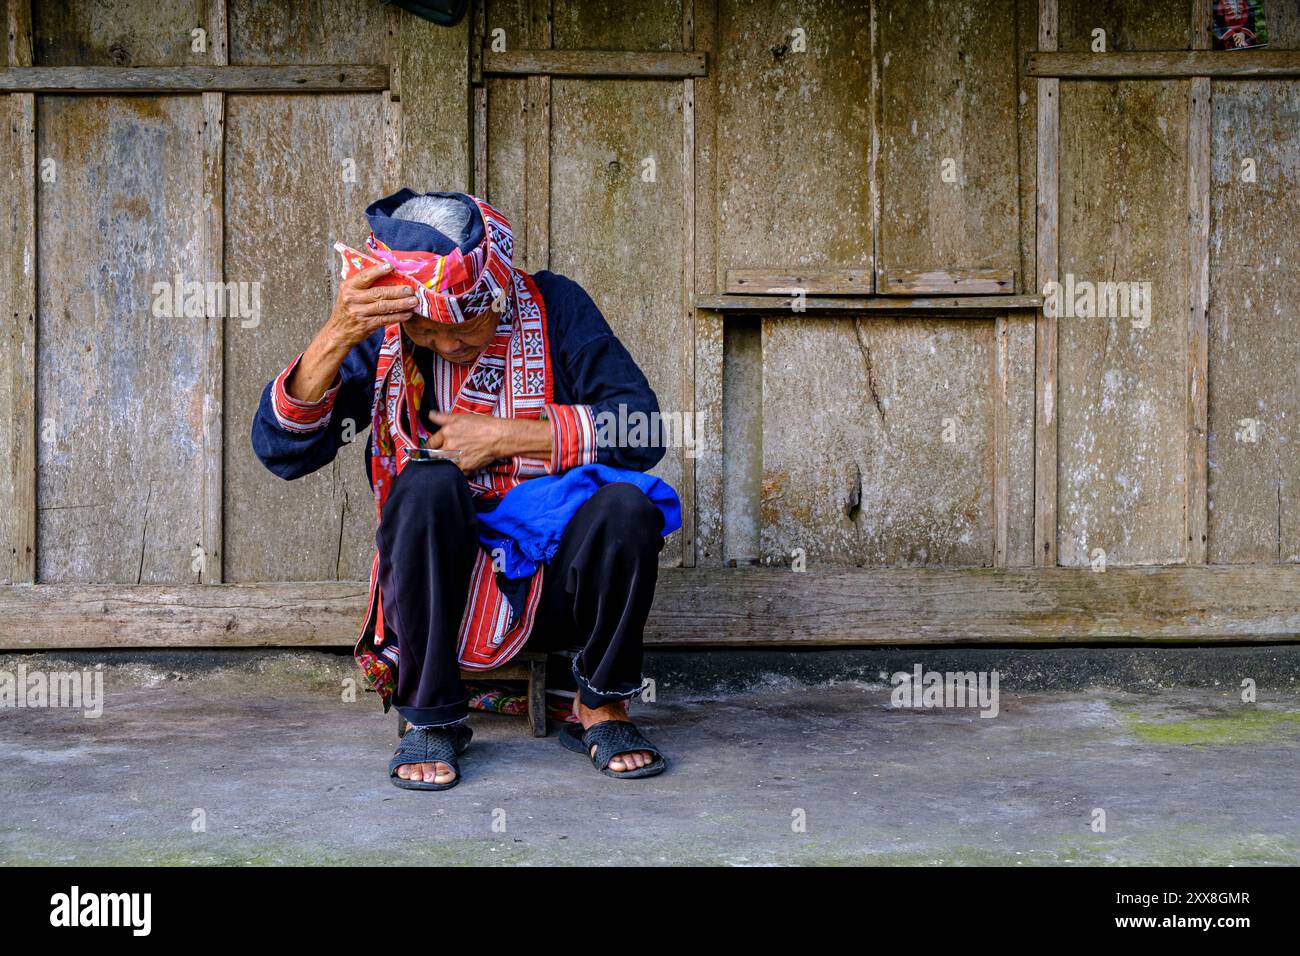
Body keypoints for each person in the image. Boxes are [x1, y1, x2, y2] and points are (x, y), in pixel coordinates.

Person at [252, 190, 678, 789]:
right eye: (428, 332)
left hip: (553, 585)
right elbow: (281, 451)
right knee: (426, 484)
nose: (448, 344)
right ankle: (431, 716)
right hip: (435, 590)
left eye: (464, 325)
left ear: (499, 289)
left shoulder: (555, 305)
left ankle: (600, 705)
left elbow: (644, 427)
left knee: (629, 508)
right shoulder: (384, 337)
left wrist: (507, 436)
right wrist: (338, 332)